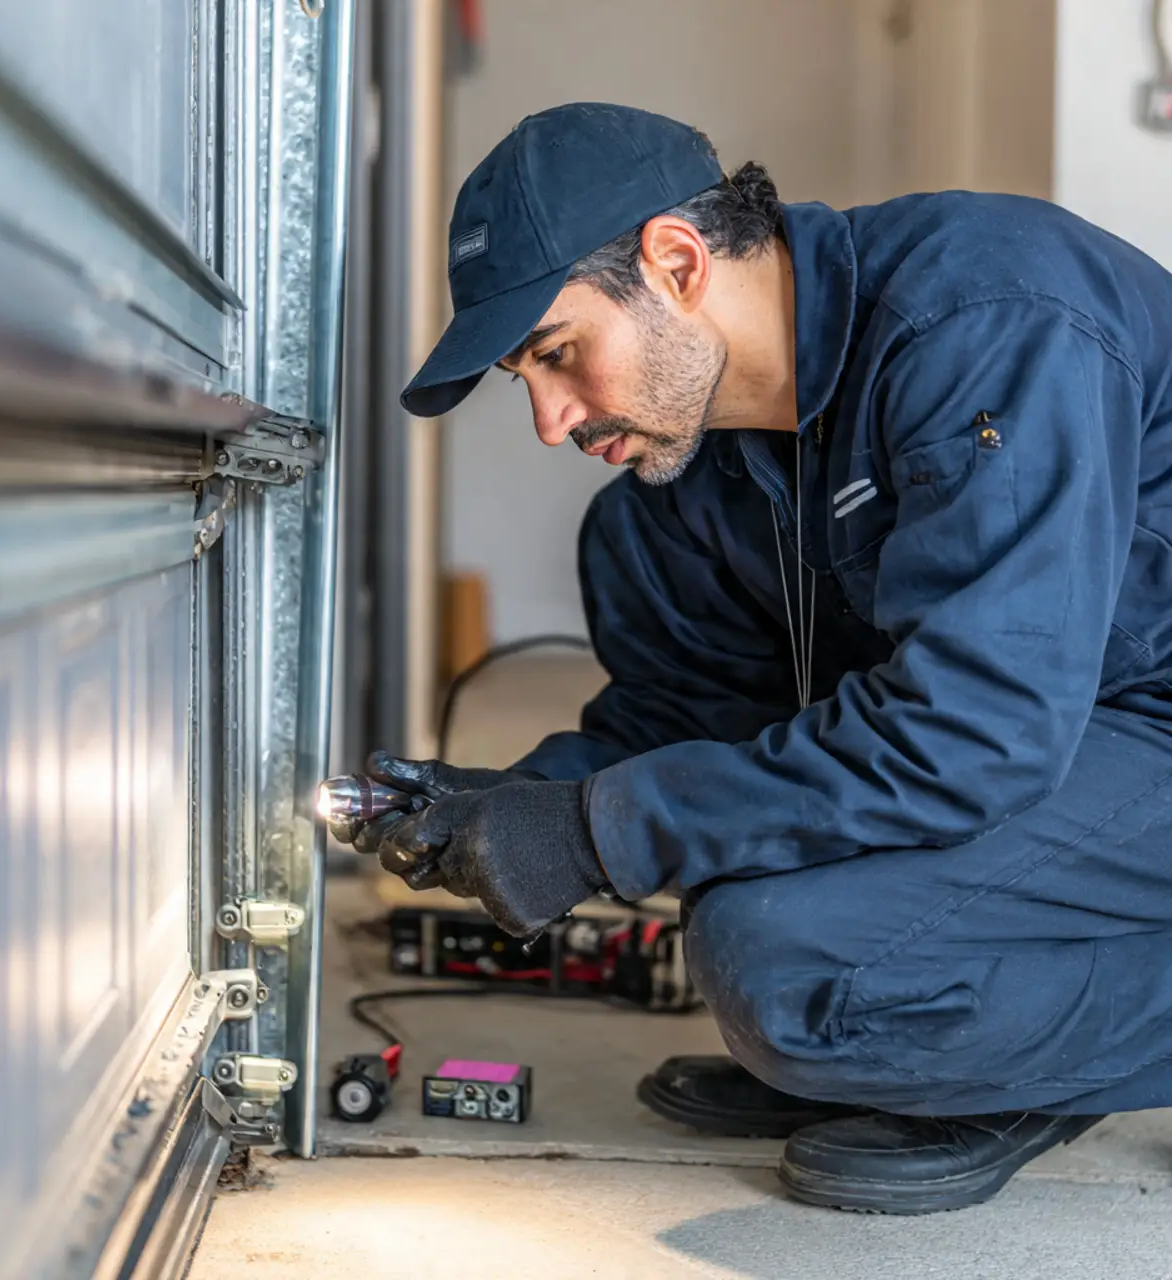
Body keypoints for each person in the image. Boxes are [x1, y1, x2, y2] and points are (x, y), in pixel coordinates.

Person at [329, 102, 1172, 1214]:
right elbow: (694, 717)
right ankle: (944, 1039)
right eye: (524, 380)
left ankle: (1005, 1056)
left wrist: (596, 833)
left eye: (556, 354)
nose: (548, 419)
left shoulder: (985, 320)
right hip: (1068, 744)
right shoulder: (673, 500)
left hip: (1124, 722)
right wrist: (522, 799)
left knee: (790, 961)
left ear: (674, 262)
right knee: (745, 880)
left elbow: (973, 731)